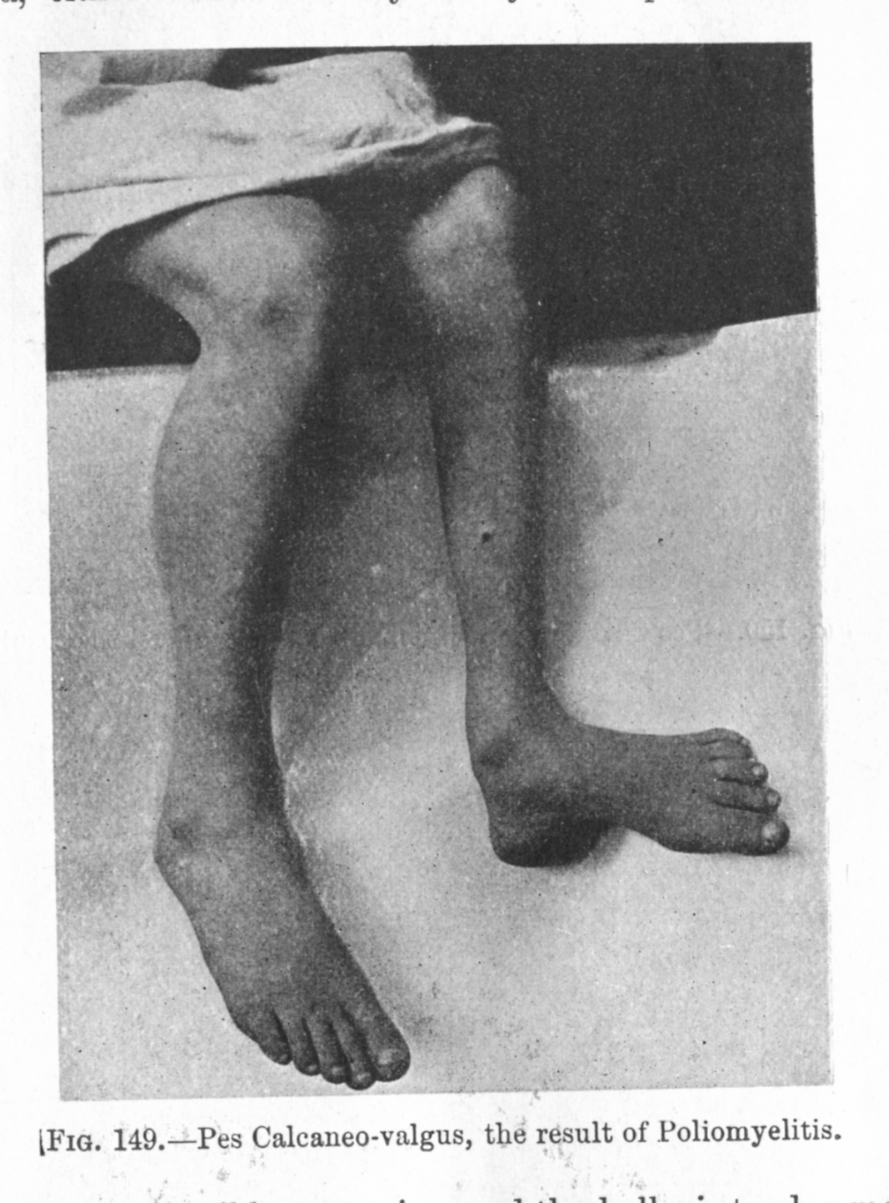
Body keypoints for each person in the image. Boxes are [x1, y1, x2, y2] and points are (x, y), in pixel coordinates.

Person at [44, 48, 788, 1093]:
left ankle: (518, 734)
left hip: (243, 79)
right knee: (278, 269)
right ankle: (215, 808)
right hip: (73, 98)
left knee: (476, 224)